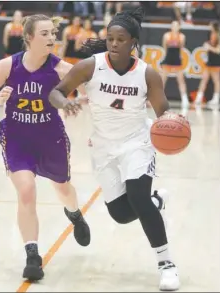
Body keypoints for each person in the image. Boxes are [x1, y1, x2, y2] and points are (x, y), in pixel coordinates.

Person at [49, 7, 185, 291]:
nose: (113, 43)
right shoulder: (90, 66)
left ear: (133, 42)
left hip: (137, 142)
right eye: (110, 38)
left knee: (138, 196)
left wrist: (173, 125)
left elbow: (163, 112)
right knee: (122, 215)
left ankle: (167, 264)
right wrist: (65, 103)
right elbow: (56, 91)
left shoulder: (147, 74)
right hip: (103, 147)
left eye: (120, 39)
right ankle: (157, 201)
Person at [0, 14, 90, 281]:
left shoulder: (62, 69)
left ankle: (74, 214)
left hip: (50, 137)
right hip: (16, 136)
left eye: (53, 33)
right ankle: (32, 256)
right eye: (45, 34)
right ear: (28, 38)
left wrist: (78, 103)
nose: (53, 38)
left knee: (62, 187)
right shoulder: (7, 66)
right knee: (26, 190)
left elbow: (89, 95)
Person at [161, 21, 189, 108]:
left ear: (179, 27)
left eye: (176, 25)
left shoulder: (182, 36)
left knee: (181, 79)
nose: (175, 27)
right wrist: (166, 57)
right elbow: (164, 47)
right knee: (163, 79)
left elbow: (181, 48)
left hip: (177, 58)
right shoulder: (166, 35)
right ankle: (158, 97)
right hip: (168, 57)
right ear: (171, 27)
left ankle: (184, 99)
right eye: (173, 25)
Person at [195, 21, 220, 107]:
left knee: (216, 81)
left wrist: (209, 47)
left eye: (210, 25)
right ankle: (198, 98)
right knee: (204, 79)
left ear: (214, 26)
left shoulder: (218, 35)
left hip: (216, 62)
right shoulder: (210, 34)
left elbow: (218, 50)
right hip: (209, 61)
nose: (209, 27)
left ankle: (216, 99)